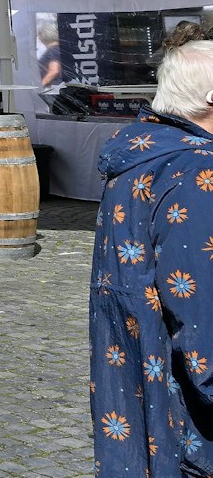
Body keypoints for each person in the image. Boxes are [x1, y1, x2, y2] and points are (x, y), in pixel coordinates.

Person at [91, 40, 213, 473]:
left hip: (142, 374)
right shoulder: (196, 168)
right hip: (188, 407)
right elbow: (200, 300)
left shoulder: (143, 153)